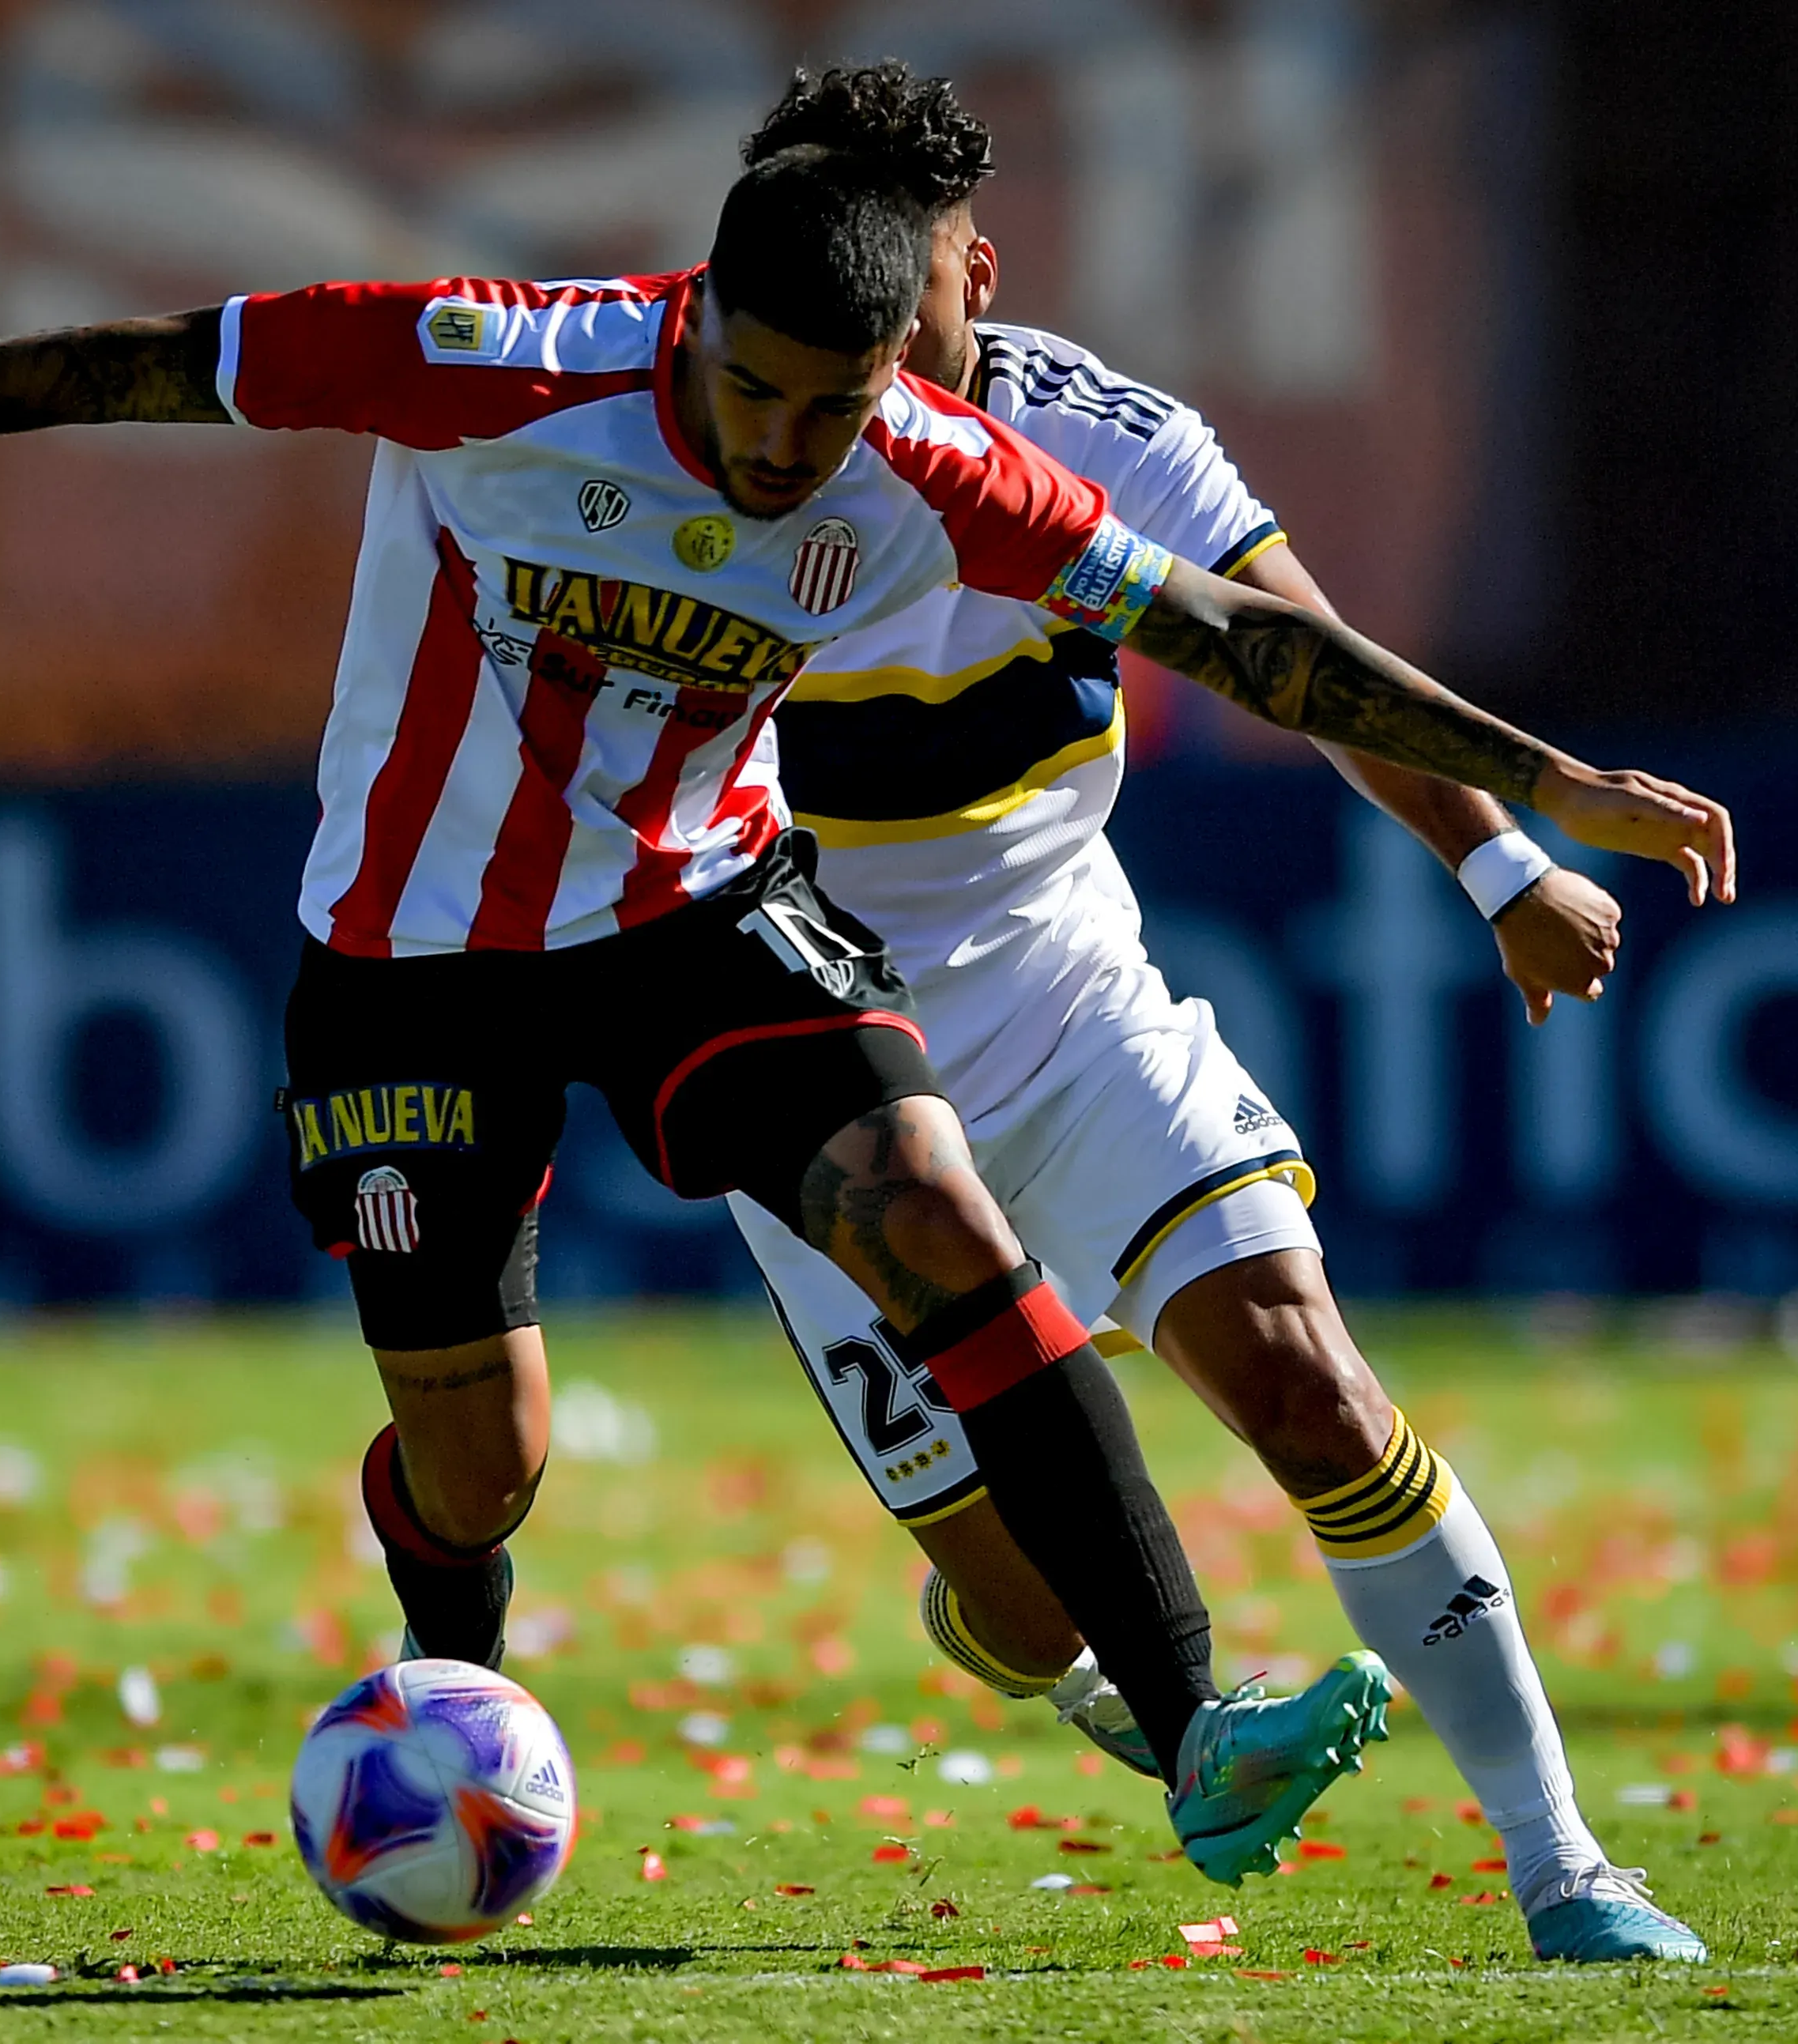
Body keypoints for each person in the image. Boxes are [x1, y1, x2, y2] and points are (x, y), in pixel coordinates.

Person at [0, 143, 1727, 1887]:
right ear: (692, 316)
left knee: (930, 1208)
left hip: (699, 914)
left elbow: (1252, 649)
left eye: (836, 403)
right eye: (756, 389)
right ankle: (454, 1673)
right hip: (414, 959)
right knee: (479, 1454)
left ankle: (1198, 1737)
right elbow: (145, 364)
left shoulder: (949, 473)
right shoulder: (487, 363)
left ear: (906, 357)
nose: (788, 447)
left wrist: (1539, 795)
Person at [716, 65, 1713, 1964]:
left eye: (892, 317)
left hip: (1073, 1014)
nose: (848, 376)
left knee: (1305, 1380)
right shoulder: (689, 470)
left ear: (973, 283)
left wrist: (1499, 867)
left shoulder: (1113, 448)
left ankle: (1566, 1862)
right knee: (1017, 1612)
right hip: (816, 1079)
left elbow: (1296, 661)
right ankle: (1045, 1641)